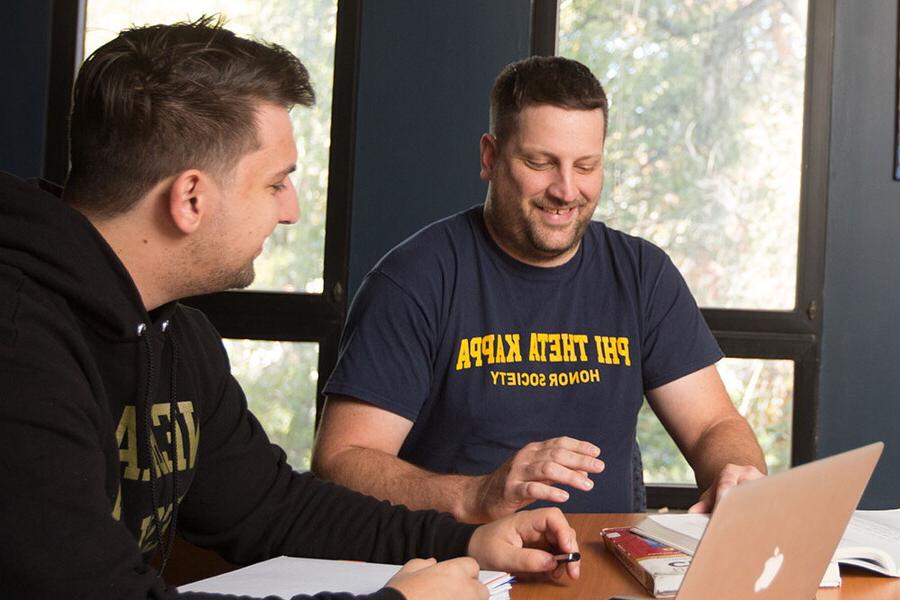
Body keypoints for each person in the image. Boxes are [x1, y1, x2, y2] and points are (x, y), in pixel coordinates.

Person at [0, 19, 581, 600]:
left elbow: (274, 508)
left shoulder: (177, 334)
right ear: (191, 198)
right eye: (276, 183)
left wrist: (467, 543)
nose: (292, 211)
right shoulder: (19, 348)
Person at [312, 56, 767, 523]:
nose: (567, 190)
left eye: (586, 166)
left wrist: (737, 473)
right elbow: (341, 460)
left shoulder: (641, 273)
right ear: (490, 157)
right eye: (540, 162)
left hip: (605, 566)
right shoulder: (415, 280)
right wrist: (476, 495)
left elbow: (714, 424)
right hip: (460, 567)